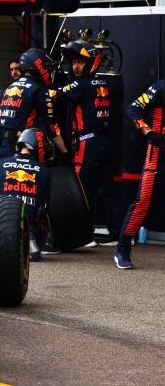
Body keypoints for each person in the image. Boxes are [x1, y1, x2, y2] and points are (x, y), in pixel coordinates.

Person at [55, 40, 118, 246]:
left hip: (88, 142)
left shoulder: (80, 85)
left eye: (81, 62)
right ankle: (116, 233)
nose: (76, 67)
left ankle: (83, 235)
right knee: (107, 188)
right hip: (106, 142)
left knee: (80, 188)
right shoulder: (102, 82)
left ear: (92, 62)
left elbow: (53, 96)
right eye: (74, 62)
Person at [114, 80, 165, 269]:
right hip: (158, 153)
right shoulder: (160, 88)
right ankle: (123, 248)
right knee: (142, 202)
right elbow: (133, 108)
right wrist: (148, 131)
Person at [0, 127, 56, 261]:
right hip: (28, 225)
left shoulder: (0, 164)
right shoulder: (43, 171)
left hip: (0, 224)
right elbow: (44, 205)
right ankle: (35, 240)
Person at [0, 48, 68, 161]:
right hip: (20, 146)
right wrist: (64, 151)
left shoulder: (10, 87)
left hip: (1, 143)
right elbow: (52, 126)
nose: (49, 72)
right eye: (48, 68)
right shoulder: (38, 90)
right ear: (40, 67)